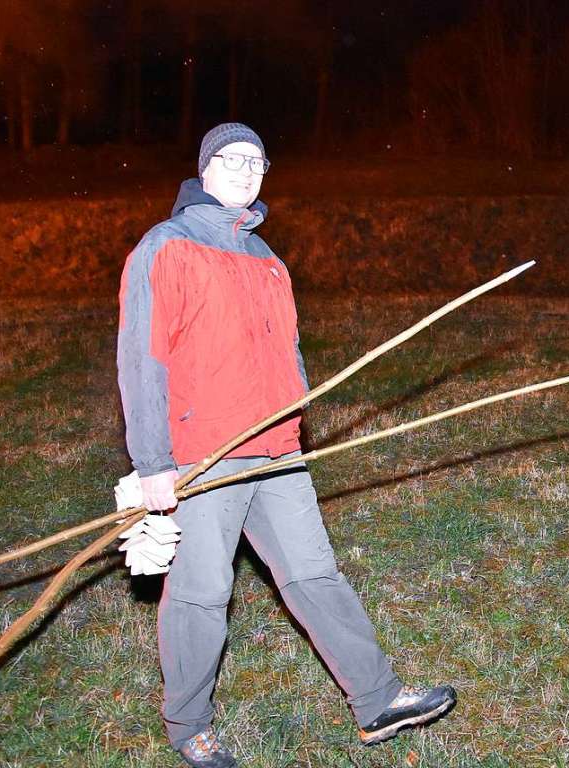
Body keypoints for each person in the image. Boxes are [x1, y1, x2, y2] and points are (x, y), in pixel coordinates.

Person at [117, 122, 456, 767]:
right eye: (232, 159)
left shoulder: (270, 261)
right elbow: (141, 359)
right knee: (200, 591)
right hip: (202, 453)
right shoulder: (168, 246)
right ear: (204, 168)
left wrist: (294, 425)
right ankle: (189, 727)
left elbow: (288, 355)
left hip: (277, 449)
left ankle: (377, 701)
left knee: (313, 573)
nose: (246, 171)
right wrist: (154, 465)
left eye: (258, 162)